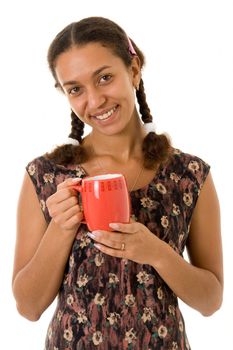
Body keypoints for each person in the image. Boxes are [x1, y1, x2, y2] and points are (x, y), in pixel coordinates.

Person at [12, 16, 223, 349]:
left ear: (134, 70)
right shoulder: (46, 176)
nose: (95, 101)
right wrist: (61, 227)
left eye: (105, 78)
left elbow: (211, 301)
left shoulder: (190, 175)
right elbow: (28, 307)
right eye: (75, 89)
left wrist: (159, 254)